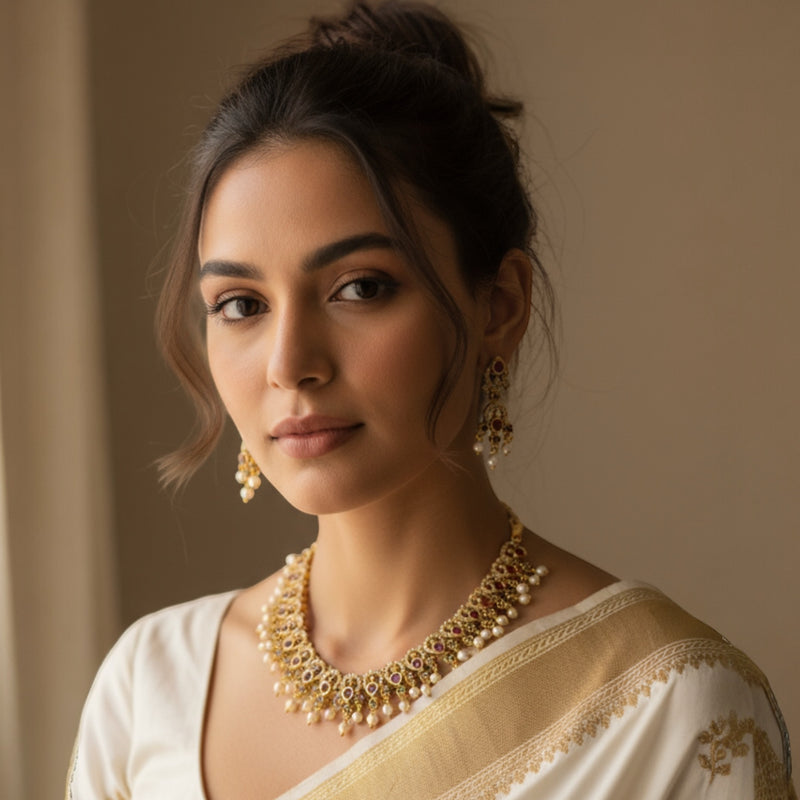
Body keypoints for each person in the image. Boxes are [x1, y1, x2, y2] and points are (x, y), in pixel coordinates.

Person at [67, 2, 795, 798]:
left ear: (500, 307)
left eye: (360, 288)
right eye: (241, 304)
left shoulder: (666, 711)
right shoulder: (150, 689)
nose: (289, 364)